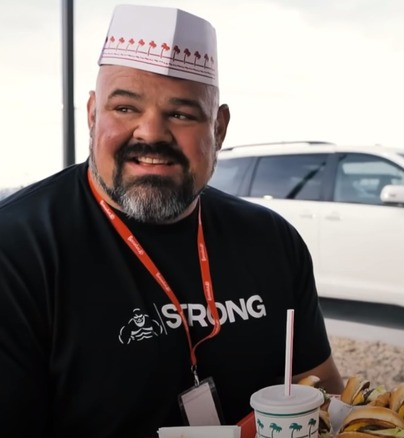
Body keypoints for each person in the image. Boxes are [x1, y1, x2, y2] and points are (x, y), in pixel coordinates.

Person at [0, 4, 343, 437]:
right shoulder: (16, 250)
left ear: (218, 128)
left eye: (181, 114)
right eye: (125, 108)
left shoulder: (273, 241)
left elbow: (322, 390)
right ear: (92, 114)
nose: (151, 133)